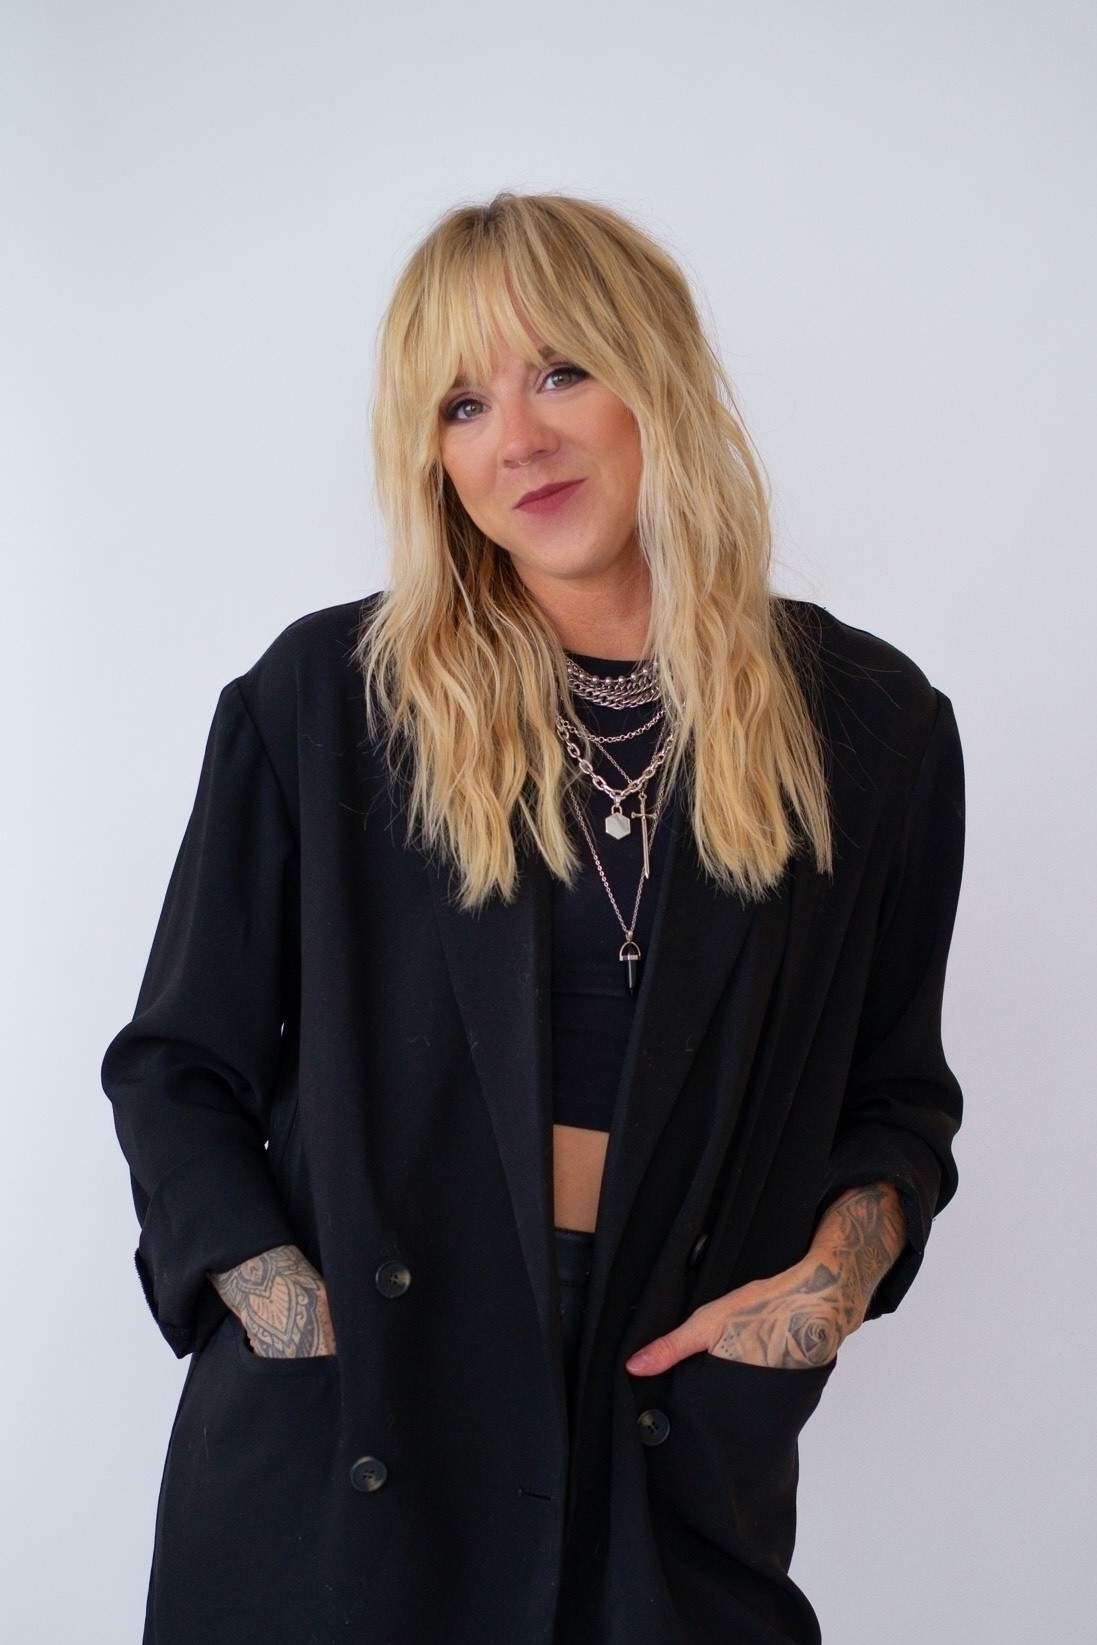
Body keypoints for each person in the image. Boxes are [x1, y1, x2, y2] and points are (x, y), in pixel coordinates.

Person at [103, 192, 965, 1645]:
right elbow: (177, 1068)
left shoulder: (871, 729)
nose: (518, 439)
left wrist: (816, 1299)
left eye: (563, 369)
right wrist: (299, 1321)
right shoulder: (327, 703)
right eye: (461, 402)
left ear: (659, 379)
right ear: (431, 458)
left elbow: (895, 1098)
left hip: (665, 1420)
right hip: (360, 1420)